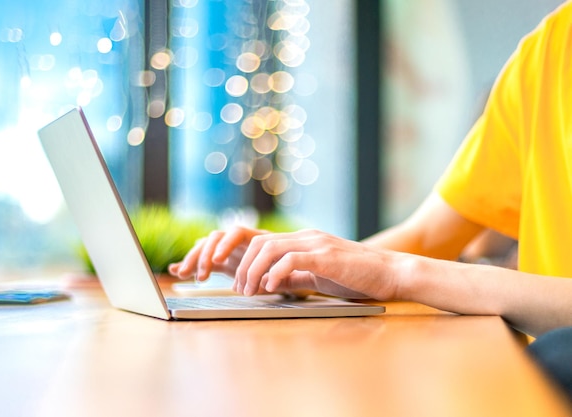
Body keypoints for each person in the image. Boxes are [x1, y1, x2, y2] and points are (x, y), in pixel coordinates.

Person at [169, 1, 572, 399]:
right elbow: (429, 235)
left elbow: (405, 264)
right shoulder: (550, 47)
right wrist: (305, 269)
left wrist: (398, 274)